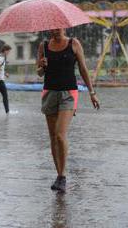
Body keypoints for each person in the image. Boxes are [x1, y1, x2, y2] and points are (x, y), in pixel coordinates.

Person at [37, 29, 100, 193]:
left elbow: (83, 69)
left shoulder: (74, 43)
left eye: (59, 27)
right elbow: (39, 73)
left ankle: (63, 176)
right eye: (53, 28)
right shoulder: (43, 46)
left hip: (69, 94)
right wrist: (42, 66)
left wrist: (92, 92)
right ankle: (59, 175)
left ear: (64, 27)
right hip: (49, 93)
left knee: (59, 134)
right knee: (52, 137)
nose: (56, 31)